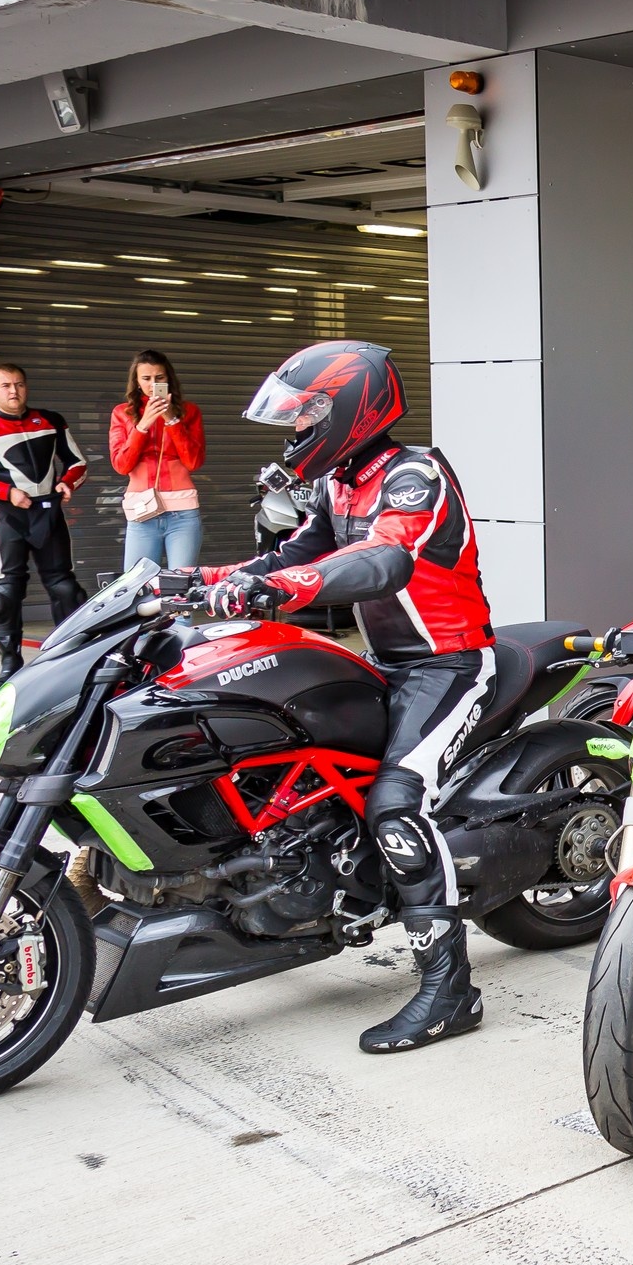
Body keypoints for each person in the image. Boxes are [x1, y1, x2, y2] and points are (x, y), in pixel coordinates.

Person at [193, 341, 498, 1054]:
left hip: (448, 665)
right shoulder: (338, 485)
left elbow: (384, 559)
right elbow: (289, 557)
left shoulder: (414, 474)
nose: (296, 431)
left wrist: (276, 588)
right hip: (385, 662)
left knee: (395, 800)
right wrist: (194, 580)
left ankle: (450, 989)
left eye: (306, 417)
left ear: (352, 409)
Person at [0, 364, 89, 687]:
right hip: (4, 515)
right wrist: (5, 492)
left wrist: (67, 483)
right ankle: (10, 664)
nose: (14, 391)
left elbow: (78, 462)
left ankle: (70, 658)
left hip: (48, 512)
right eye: (6, 385)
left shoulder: (50, 420)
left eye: (20, 384)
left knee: (66, 589)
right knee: (6, 594)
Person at [110, 349, 206, 569]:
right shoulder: (123, 413)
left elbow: (193, 462)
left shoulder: (188, 411)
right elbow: (121, 465)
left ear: (168, 378)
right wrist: (143, 425)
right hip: (141, 510)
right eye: (146, 378)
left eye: (159, 378)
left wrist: (171, 419)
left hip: (182, 511)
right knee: (137, 582)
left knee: (181, 582)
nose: (153, 384)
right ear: (136, 381)